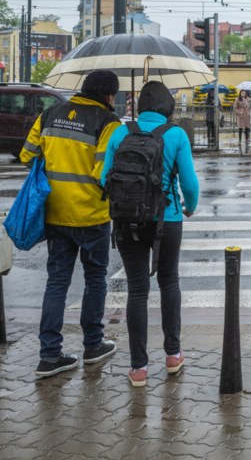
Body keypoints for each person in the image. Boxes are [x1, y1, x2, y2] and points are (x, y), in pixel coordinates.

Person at [19, 69, 122, 378]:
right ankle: (93, 345)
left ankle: (49, 355)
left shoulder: (51, 113)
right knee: (95, 279)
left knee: (57, 282)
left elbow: (27, 154)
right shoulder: (107, 123)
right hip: (91, 216)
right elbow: (102, 173)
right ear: (107, 95)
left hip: (54, 212)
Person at [101, 81, 200, 387]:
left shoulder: (120, 132)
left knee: (137, 290)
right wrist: (189, 207)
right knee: (169, 282)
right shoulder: (176, 134)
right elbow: (190, 184)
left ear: (139, 104)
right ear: (167, 106)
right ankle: (172, 355)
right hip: (166, 221)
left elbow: (105, 177)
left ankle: (139, 368)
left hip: (127, 219)